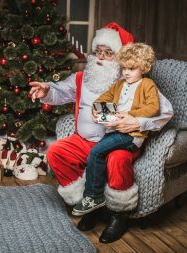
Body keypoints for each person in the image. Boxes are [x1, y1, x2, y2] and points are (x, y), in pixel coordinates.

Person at [29, 23, 173, 243]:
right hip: (83, 141)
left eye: (108, 53)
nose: (100, 58)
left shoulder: (132, 80)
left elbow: (164, 111)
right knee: (56, 151)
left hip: (119, 142)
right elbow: (59, 92)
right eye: (98, 51)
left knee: (116, 159)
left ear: (122, 58)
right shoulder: (82, 78)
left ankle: (119, 216)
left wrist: (138, 121)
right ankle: (89, 206)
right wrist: (47, 90)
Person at [72, 42, 160, 216]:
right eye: (124, 68)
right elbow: (101, 100)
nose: (127, 72)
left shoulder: (147, 84)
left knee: (95, 153)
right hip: (115, 132)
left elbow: (154, 107)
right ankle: (96, 200)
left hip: (131, 136)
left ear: (143, 67)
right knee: (100, 156)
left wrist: (129, 113)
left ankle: (94, 196)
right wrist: (97, 111)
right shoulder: (119, 85)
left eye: (132, 68)